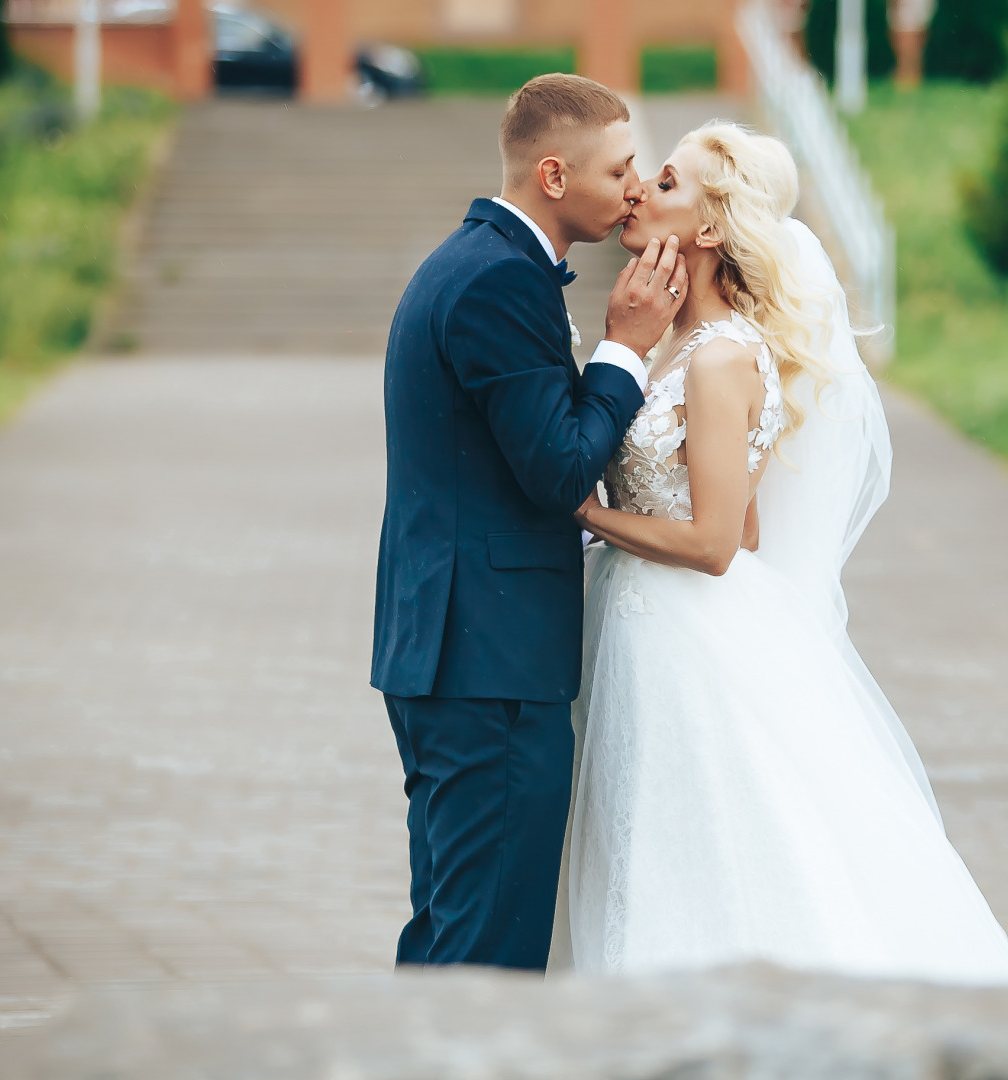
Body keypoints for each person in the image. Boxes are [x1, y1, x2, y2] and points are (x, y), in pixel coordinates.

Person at [553, 122, 1008, 986]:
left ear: (706, 229)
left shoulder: (720, 358)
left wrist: (587, 512)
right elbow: (746, 528)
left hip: (678, 634)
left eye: (663, 182)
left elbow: (712, 545)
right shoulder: (677, 347)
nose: (638, 192)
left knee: (693, 849)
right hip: (649, 622)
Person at [370, 73, 689, 972]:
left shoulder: (479, 264)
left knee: (449, 932)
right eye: (621, 168)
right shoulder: (497, 284)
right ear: (553, 175)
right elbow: (556, 470)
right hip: (489, 665)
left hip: (459, 654)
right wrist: (625, 344)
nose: (636, 186)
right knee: (486, 955)